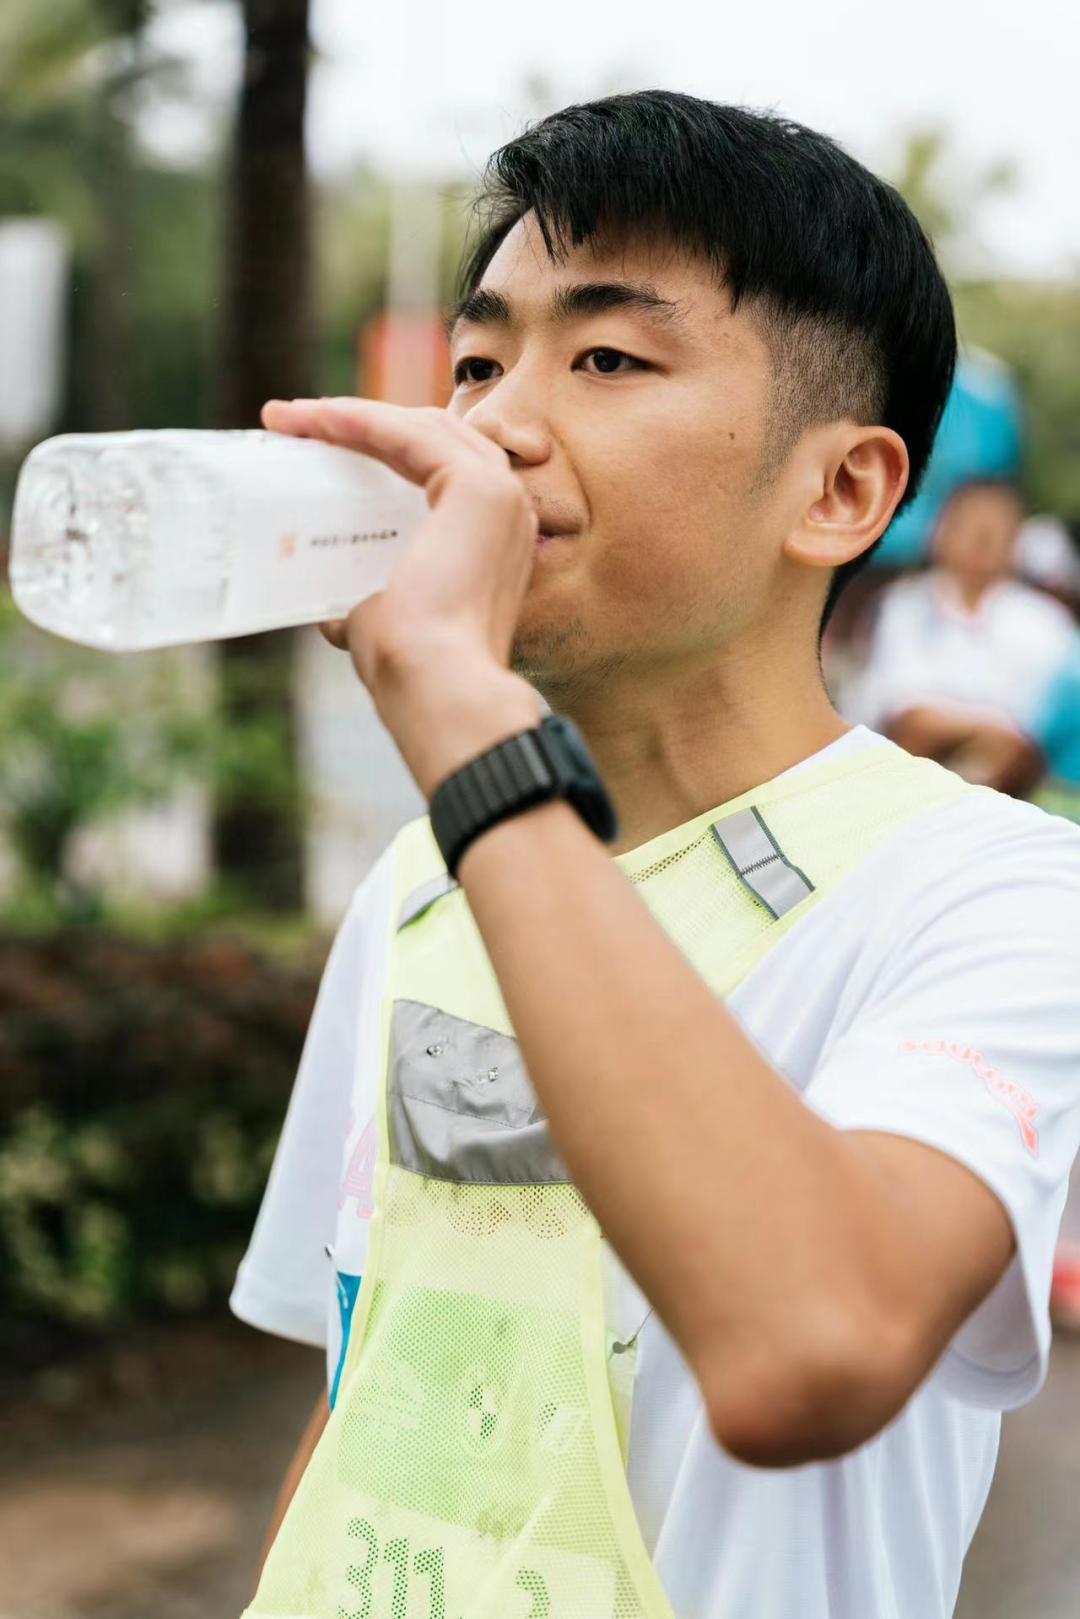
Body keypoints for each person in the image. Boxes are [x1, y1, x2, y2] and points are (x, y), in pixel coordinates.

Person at [229, 92, 1080, 1619]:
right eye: (479, 361)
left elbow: (813, 1338)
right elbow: (373, 1373)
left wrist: (466, 715)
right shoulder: (428, 873)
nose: (493, 425)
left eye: (609, 356)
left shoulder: (991, 893)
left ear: (844, 491)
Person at [846, 478, 1080, 793]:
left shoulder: (1046, 623)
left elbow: (1031, 735)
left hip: (1008, 786)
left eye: (995, 530)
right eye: (971, 526)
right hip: (902, 769)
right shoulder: (902, 605)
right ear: (940, 532)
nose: (982, 541)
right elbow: (908, 717)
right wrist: (989, 729)